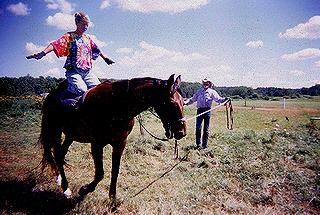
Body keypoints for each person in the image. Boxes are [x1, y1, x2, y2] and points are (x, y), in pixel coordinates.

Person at [26, 12, 114, 96]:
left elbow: (96, 49)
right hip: (73, 72)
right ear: (77, 22)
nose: (85, 27)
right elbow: (55, 44)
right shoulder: (70, 36)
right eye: (83, 24)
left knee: (98, 90)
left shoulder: (87, 38)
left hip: (87, 72)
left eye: (87, 25)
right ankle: (66, 87)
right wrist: (42, 53)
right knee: (82, 90)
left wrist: (105, 58)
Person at [184, 77, 229, 149]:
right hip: (199, 111)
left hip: (207, 111)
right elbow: (192, 100)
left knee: (206, 129)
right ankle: (198, 144)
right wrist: (184, 103)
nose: (206, 84)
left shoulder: (212, 92)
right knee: (198, 128)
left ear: (210, 84)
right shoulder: (199, 92)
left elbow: (219, 99)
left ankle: (205, 146)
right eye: (204, 83)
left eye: (207, 83)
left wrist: (225, 100)